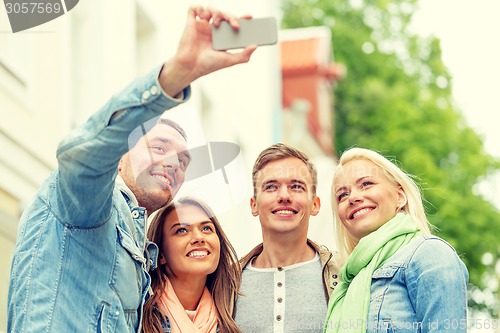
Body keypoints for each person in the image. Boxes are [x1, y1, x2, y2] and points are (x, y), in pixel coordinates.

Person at [7, 6, 256, 333]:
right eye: (158, 147)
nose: (173, 164)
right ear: (119, 155)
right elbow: (81, 155)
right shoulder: (90, 203)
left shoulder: (139, 249)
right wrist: (175, 75)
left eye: (183, 161)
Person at [324, 147, 468, 333]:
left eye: (366, 184)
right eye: (342, 195)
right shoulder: (347, 281)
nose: (353, 198)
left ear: (400, 197)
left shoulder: (430, 255)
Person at [234, 143, 340, 333]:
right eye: (271, 187)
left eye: (296, 186)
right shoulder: (226, 282)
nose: (284, 196)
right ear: (254, 205)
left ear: (315, 204)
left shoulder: (344, 274)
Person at [143, 196, 240, 333]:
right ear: (160, 254)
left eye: (206, 228)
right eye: (181, 230)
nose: (199, 238)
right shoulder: (137, 315)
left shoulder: (235, 314)